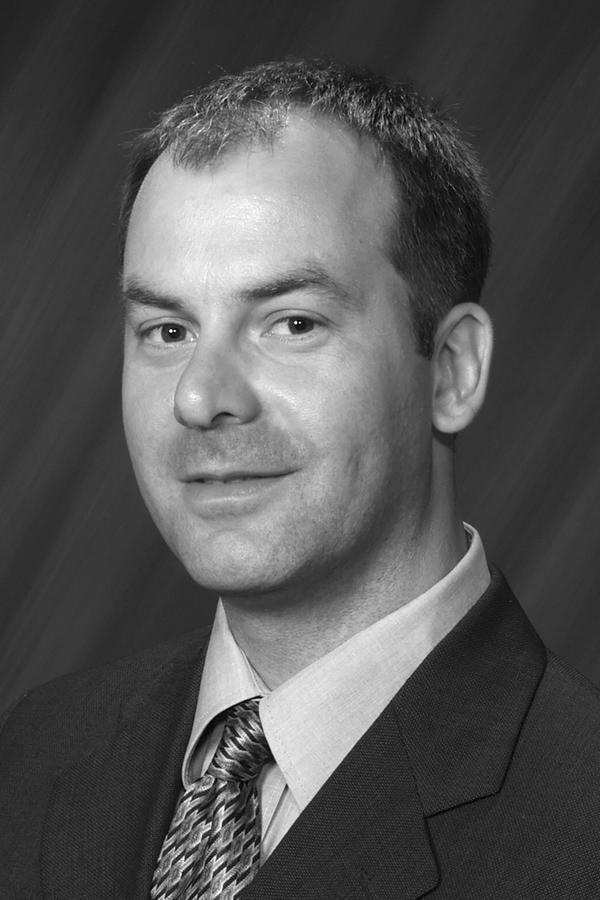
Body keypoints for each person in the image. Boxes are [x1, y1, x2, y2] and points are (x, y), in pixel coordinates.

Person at [1, 58, 599, 900]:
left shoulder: (580, 824)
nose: (200, 397)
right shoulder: (35, 751)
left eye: (291, 323)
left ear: (453, 370)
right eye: (168, 330)